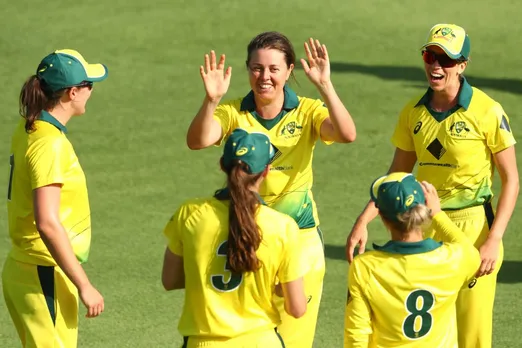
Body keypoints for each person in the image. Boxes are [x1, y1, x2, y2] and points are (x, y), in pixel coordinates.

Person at [346, 24, 519, 348]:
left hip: (472, 231)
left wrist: (494, 239)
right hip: (423, 227)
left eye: (446, 59)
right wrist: (363, 220)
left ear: (462, 65)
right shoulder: (414, 112)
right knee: (424, 333)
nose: (436, 65)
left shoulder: (487, 111)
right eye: (430, 55)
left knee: (472, 336)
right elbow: (396, 174)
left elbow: (511, 180)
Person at [186, 31, 357, 348]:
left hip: (300, 239)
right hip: (250, 236)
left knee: (293, 339)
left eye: (273, 69)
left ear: (290, 70)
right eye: (256, 68)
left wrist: (325, 86)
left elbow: (346, 134)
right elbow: (198, 140)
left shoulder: (307, 111)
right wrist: (211, 101)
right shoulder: (234, 112)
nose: (264, 77)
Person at [162, 128, 307, 347]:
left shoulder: (190, 213)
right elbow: (296, 308)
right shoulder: (283, 226)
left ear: (222, 165)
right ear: (266, 171)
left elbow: (170, 280)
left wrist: (202, 273)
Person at [3, 49, 108, 347]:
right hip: (42, 274)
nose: (91, 91)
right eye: (89, 85)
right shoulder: (49, 144)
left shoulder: (30, 129)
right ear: (72, 92)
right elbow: (47, 222)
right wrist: (84, 285)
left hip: (26, 269)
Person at [344, 172, 481, 348]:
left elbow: (357, 333)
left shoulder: (365, 266)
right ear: (424, 210)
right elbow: (469, 251)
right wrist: (438, 214)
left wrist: (362, 221)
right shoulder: (453, 259)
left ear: (382, 217)